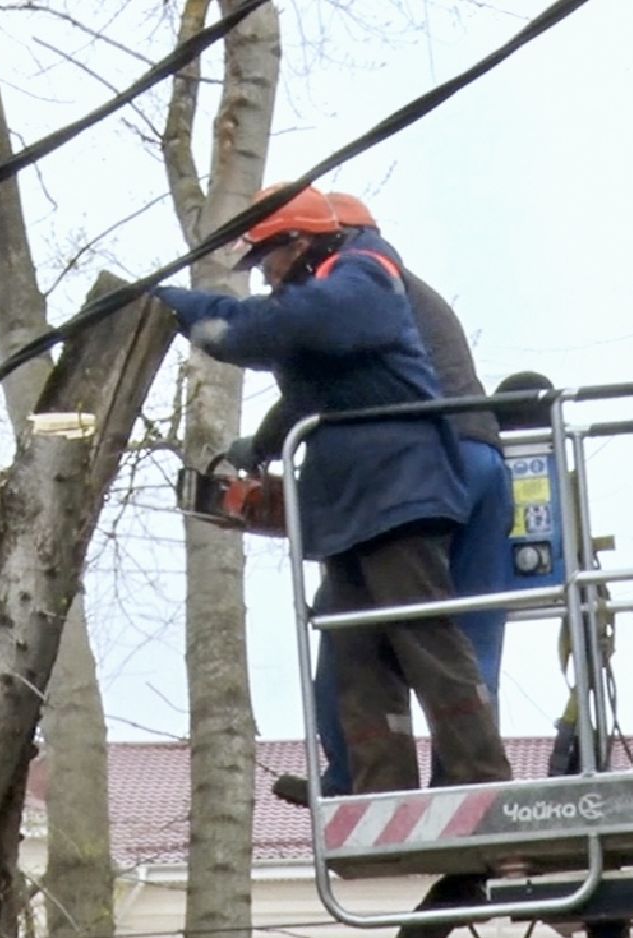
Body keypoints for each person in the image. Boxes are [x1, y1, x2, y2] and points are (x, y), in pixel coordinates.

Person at [152, 183, 512, 796]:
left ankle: (478, 786)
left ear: (305, 240)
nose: (267, 277)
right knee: (356, 649)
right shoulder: (345, 294)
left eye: (269, 257)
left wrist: (193, 311)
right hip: (370, 496)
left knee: (428, 636)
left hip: (405, 486)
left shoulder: (364, 276)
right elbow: (318, 387)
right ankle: (376, 786)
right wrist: (263, 446)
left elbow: (301, 329)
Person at [261, 193, 512, 806]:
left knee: (359, 635)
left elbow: (319, 388)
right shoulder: (411, 290)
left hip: (412, 477)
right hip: (481, 461)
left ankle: (364, 782)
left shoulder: (353, 289)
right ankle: (468, 785)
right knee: (461, 637)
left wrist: (266, 444)